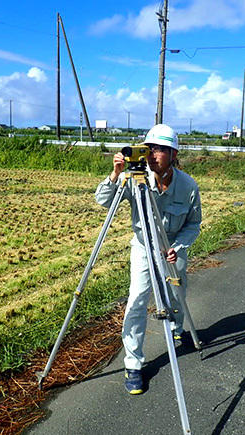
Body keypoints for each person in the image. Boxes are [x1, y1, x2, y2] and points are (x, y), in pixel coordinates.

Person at [95, 124, 202, 395]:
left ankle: (179, 327)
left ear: (173, 153)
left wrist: (178, 247)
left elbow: (193, 224)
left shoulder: (188, 186)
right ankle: (133, 364)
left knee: (177, 295)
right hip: (143, 247)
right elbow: (103, 201)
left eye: (160, 150)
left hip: (172, 248)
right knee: (137, 300)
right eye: (149, 149)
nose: (153, 155)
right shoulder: (134, 180)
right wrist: (116, 173)